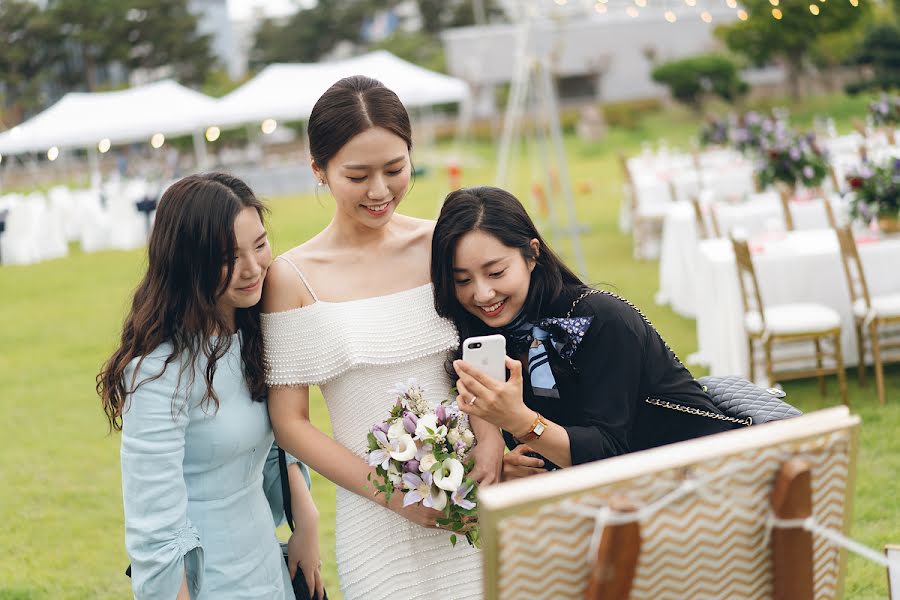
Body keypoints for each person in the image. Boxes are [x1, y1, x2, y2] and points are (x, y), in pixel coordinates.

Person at [261, 76, 504, 600]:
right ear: (319, 172)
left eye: (394, 170)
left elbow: (483, 347)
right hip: (375, 512)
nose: (379, 191)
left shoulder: (441, 241)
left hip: (479, 489)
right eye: (357, 175)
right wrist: (397, 497)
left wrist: (488, 443)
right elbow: (290, 423)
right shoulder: (291, 277)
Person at [97, 173, 322, 599]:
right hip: (207, 583)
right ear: (188, 261)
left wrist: (305, 521)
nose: (254, 268)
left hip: (267, 570)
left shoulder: (254, 332)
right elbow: (155, 530)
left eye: (259, 245)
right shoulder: (158, 372)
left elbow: (279, 437)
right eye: (228, 257)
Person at [431, 186, 743, 480]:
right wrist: (515, 464)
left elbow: (611, 452)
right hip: (619, 505)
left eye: (496, 273)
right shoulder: (488, 342)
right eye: (462, 280)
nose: (483, 294)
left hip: (705, 477)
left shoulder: (600, 319)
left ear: (531, 255)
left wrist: (522, 423)